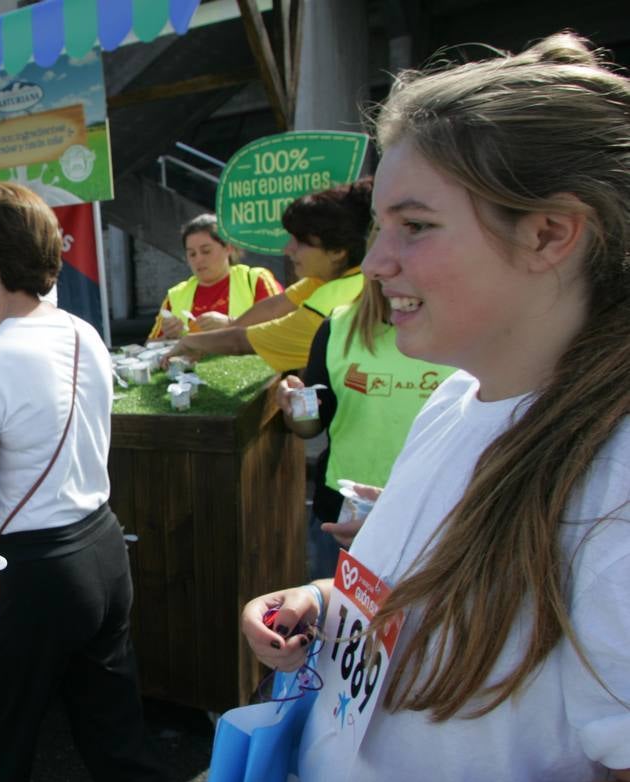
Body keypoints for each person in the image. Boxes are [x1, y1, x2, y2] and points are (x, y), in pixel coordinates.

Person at [240, 32, 629, 782]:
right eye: (382, 227)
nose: (377, 265)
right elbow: (418, 589)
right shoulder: (457, 398)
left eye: (415, 227)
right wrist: (323, 606)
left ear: (551, 234)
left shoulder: (616, 484)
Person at [0, 182, 192, 782]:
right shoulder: (82, 331)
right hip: (102, 551)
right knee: (117, 739)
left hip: (36, 572)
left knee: (4, 733)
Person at [276, 277, 455, 577]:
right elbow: (310, 427)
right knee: (334, 621)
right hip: (344, 512)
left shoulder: (472, 332)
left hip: (437, 521)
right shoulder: (336, 327)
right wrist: (295, 407)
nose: (396, 269)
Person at [165, 180, 373, 372]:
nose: (287, 249)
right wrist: (224, 331)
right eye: (191, 253)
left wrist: (192, 342)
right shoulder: (329, 279)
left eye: (300, 241)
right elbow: (275, 306)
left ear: (337, 251)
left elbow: (243, 342)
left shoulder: (329, 305)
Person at [147, 213, 282, 340]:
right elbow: (147, 348)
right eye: (192, 254)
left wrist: (231, 324)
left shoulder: (256, 280)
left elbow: (285, 329)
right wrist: (169, 337)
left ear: (228, 248)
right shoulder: (175, 295)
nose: (198, 259)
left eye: (206, 251)